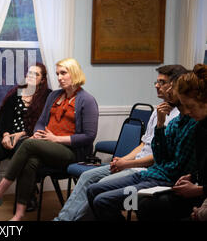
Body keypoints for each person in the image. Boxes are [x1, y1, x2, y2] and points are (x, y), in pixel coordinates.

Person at [54, 65, 185, 221]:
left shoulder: (179, 116)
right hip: (135, 164)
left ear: (174, 85)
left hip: (145, 169)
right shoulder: (158, 110)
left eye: (162, 82)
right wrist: (123, 159)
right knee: (87, 176)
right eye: (156, 82)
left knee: (100, 186)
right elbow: (144, 145)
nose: (156, 86)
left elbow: (159, 157)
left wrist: (127, 164)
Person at [0, 58, 99, 221]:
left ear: (74, 73)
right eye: (58, 74)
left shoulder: (87, 100)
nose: (60, 77)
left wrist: (56, 139)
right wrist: (39, 132)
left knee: (28, 143)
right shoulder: (54, 96)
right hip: (48, 145)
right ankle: (18, 215)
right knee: (30, 161)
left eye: (63, 73)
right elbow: (40, 122)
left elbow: (89, 136)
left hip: (72, 153)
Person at [86, 73, 198, 221]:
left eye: (173, 88)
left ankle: (132, 204)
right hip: (148, 175)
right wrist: (160, 125)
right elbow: (160, 156)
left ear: (184, 95)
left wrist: (157, 165)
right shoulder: (175, 122)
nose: (168, 91)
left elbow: (175, 168)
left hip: (161, 182)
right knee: (93, 190)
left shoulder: (193, 125)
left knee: (103, 201)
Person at [137, 63, 207, 221]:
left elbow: (173, 165)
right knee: (141, 203)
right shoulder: (197, 126)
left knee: (142, 204)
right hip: (161, 175)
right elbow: (161, 157)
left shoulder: (195, 126)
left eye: (191, 107)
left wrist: (199, 190)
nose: (188, 111)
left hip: (178, 182)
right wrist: (192, 176)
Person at [0, 63, 51, 198]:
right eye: (29, 73)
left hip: (30, 136)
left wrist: (22, 134)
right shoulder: (16, 92)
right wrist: (6, 135)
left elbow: (44, 122)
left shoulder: (47, 96)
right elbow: (5, 117)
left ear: (43, 79)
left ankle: (28, 195)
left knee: (25, 154)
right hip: (8, 133)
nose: (31, 76)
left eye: (36, 74)